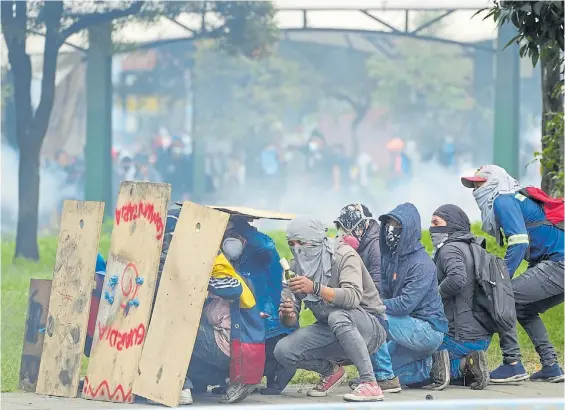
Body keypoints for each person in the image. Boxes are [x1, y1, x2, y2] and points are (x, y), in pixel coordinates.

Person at [462, 165, 564, 383]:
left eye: (479, 183)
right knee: (523, 309)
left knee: (503, 299)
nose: (474, 190)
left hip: (558, 264)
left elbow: (519, 242)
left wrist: (501, 279)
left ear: (494, 181)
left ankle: (512, 363)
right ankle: (551, 366)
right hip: (553, 263)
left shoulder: (503, 199)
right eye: (472, 185)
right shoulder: (515, 198)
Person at [152, 208, 265, 405]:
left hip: (231, 347)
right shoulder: (208, 260)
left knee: (170, 326)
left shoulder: (215, 262)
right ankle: (198, 381)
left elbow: (232, 289)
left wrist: (199, 275)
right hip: (228, 346)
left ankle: (179, 388)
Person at [274, 217, 387, 402]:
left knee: (337, 316)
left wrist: (315, 288)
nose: (297, 248)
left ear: (317, 240)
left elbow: (352, 298)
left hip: (370, 327)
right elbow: (289, 321)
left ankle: (370, 383)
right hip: (330, 327)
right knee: (283, 350)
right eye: (291, 243)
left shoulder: (343, 255)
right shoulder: (293, 268)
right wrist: (288, 313)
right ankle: (331, 371)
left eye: (302, 242)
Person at [378, 203, 450, 389]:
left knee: (373, 320)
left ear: (409, 229)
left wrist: (373, 305)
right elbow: (384, 293)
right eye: (389, 225)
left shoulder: (421, 264)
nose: (390, 230)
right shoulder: (389, 259)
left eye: (397, 226)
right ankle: (432, 368)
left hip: (428, 329)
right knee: (378, 365)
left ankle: (383, 380)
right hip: (405, 325)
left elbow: (404, 305)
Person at [221, 216, 296, 395]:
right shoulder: (229, 260)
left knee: (273, 377)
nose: (229, 241)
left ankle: (275, 375)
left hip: (273, 329)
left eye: (233, 235)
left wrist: (242, 226)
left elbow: (267, 245)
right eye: (225, 236)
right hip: (249, 329)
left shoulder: (262, 255)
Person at [334, 204, 402, 393]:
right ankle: (374, 373)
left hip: (379, 297)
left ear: (362, 226)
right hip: (364, 291)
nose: (344, 234)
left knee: (372, 321)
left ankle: (385, 376)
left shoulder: (374, 245)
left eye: (349, 228)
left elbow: (378, 282)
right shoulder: (359, 243)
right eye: (342, 229)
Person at [430, 204, 491, 390]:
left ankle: (466, 366)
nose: (432, 228)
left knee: (412, 366)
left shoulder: (449, 248)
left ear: (452, 223)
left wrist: (433, 297)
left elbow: (457, 279)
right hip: (482, 337)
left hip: (458, 337)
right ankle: (471, 363)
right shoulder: (475, 247)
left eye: (436, 223)